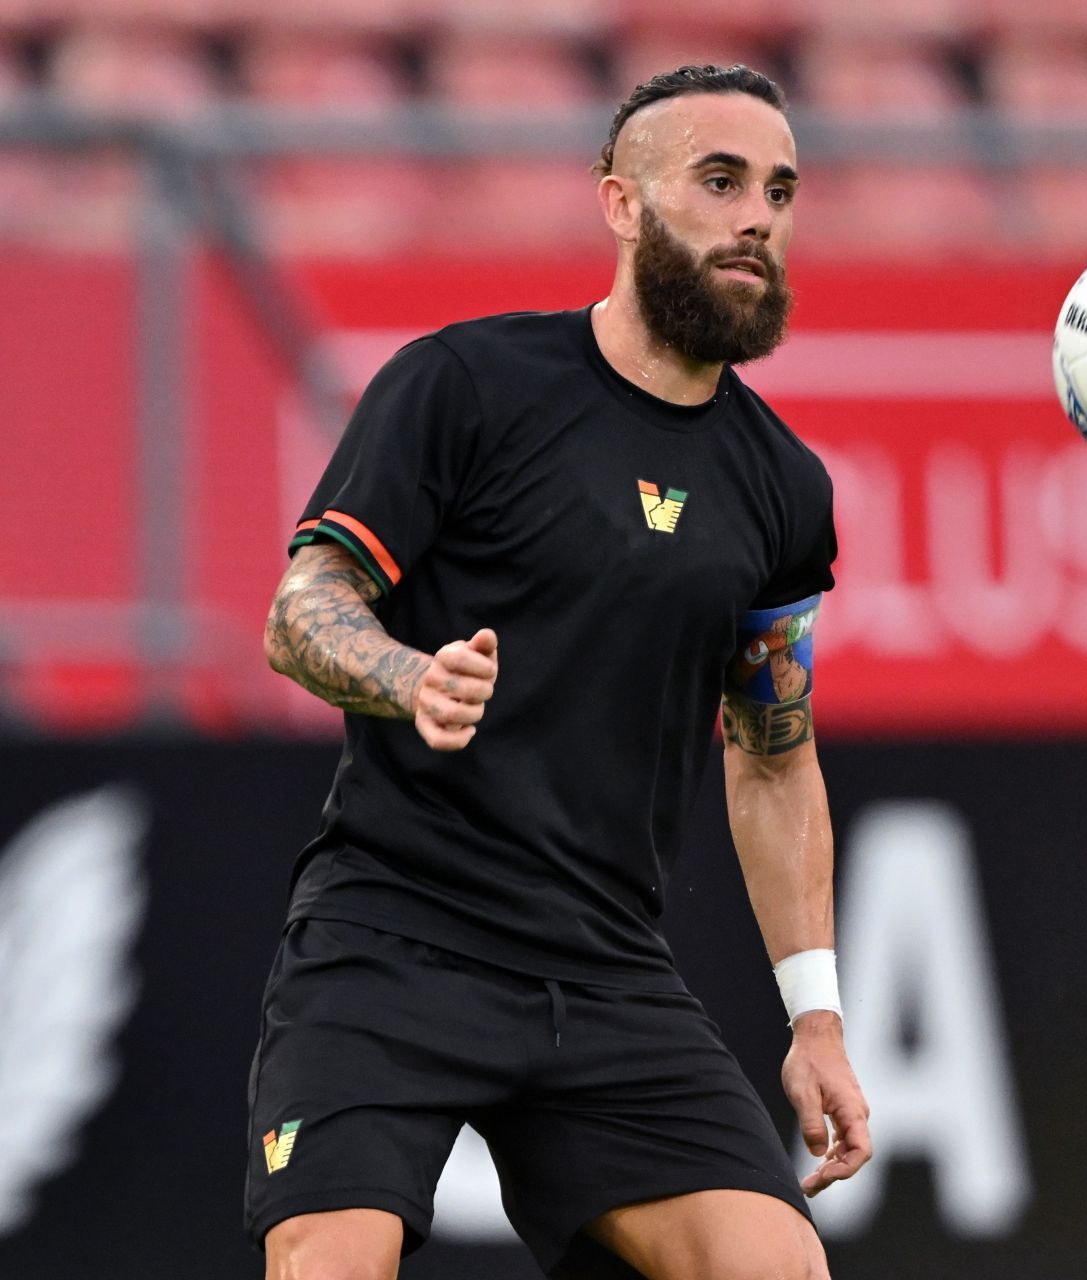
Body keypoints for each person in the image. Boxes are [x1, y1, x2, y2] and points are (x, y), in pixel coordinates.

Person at [249, 64, 870, 1280]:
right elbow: (302, 607)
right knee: (328, 1262)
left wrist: (816, 1018)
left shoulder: (785, 486)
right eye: (721, 179)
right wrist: (401, 673)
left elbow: (772, 749)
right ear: (621, 204)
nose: (758, 216)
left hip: (602, 969)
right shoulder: (466, 385)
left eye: (781, 191)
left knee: (780, 1268)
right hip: (393, 935)